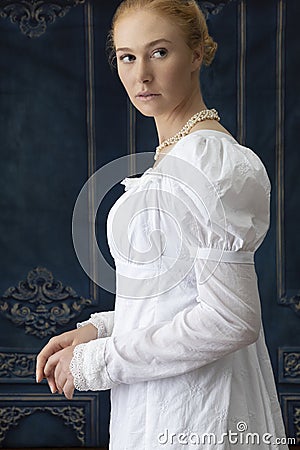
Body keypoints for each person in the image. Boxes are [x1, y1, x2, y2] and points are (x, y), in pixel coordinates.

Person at [36, 1, 289, 449]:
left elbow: (230, 319)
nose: (141, 75)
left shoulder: (213, 163)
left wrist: (95, 361)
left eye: (159, 52)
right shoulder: (174, 158)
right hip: (154, 404)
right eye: (127, 57)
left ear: (196, 54)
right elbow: (177, 299)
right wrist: (99, 330)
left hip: (202, 415)